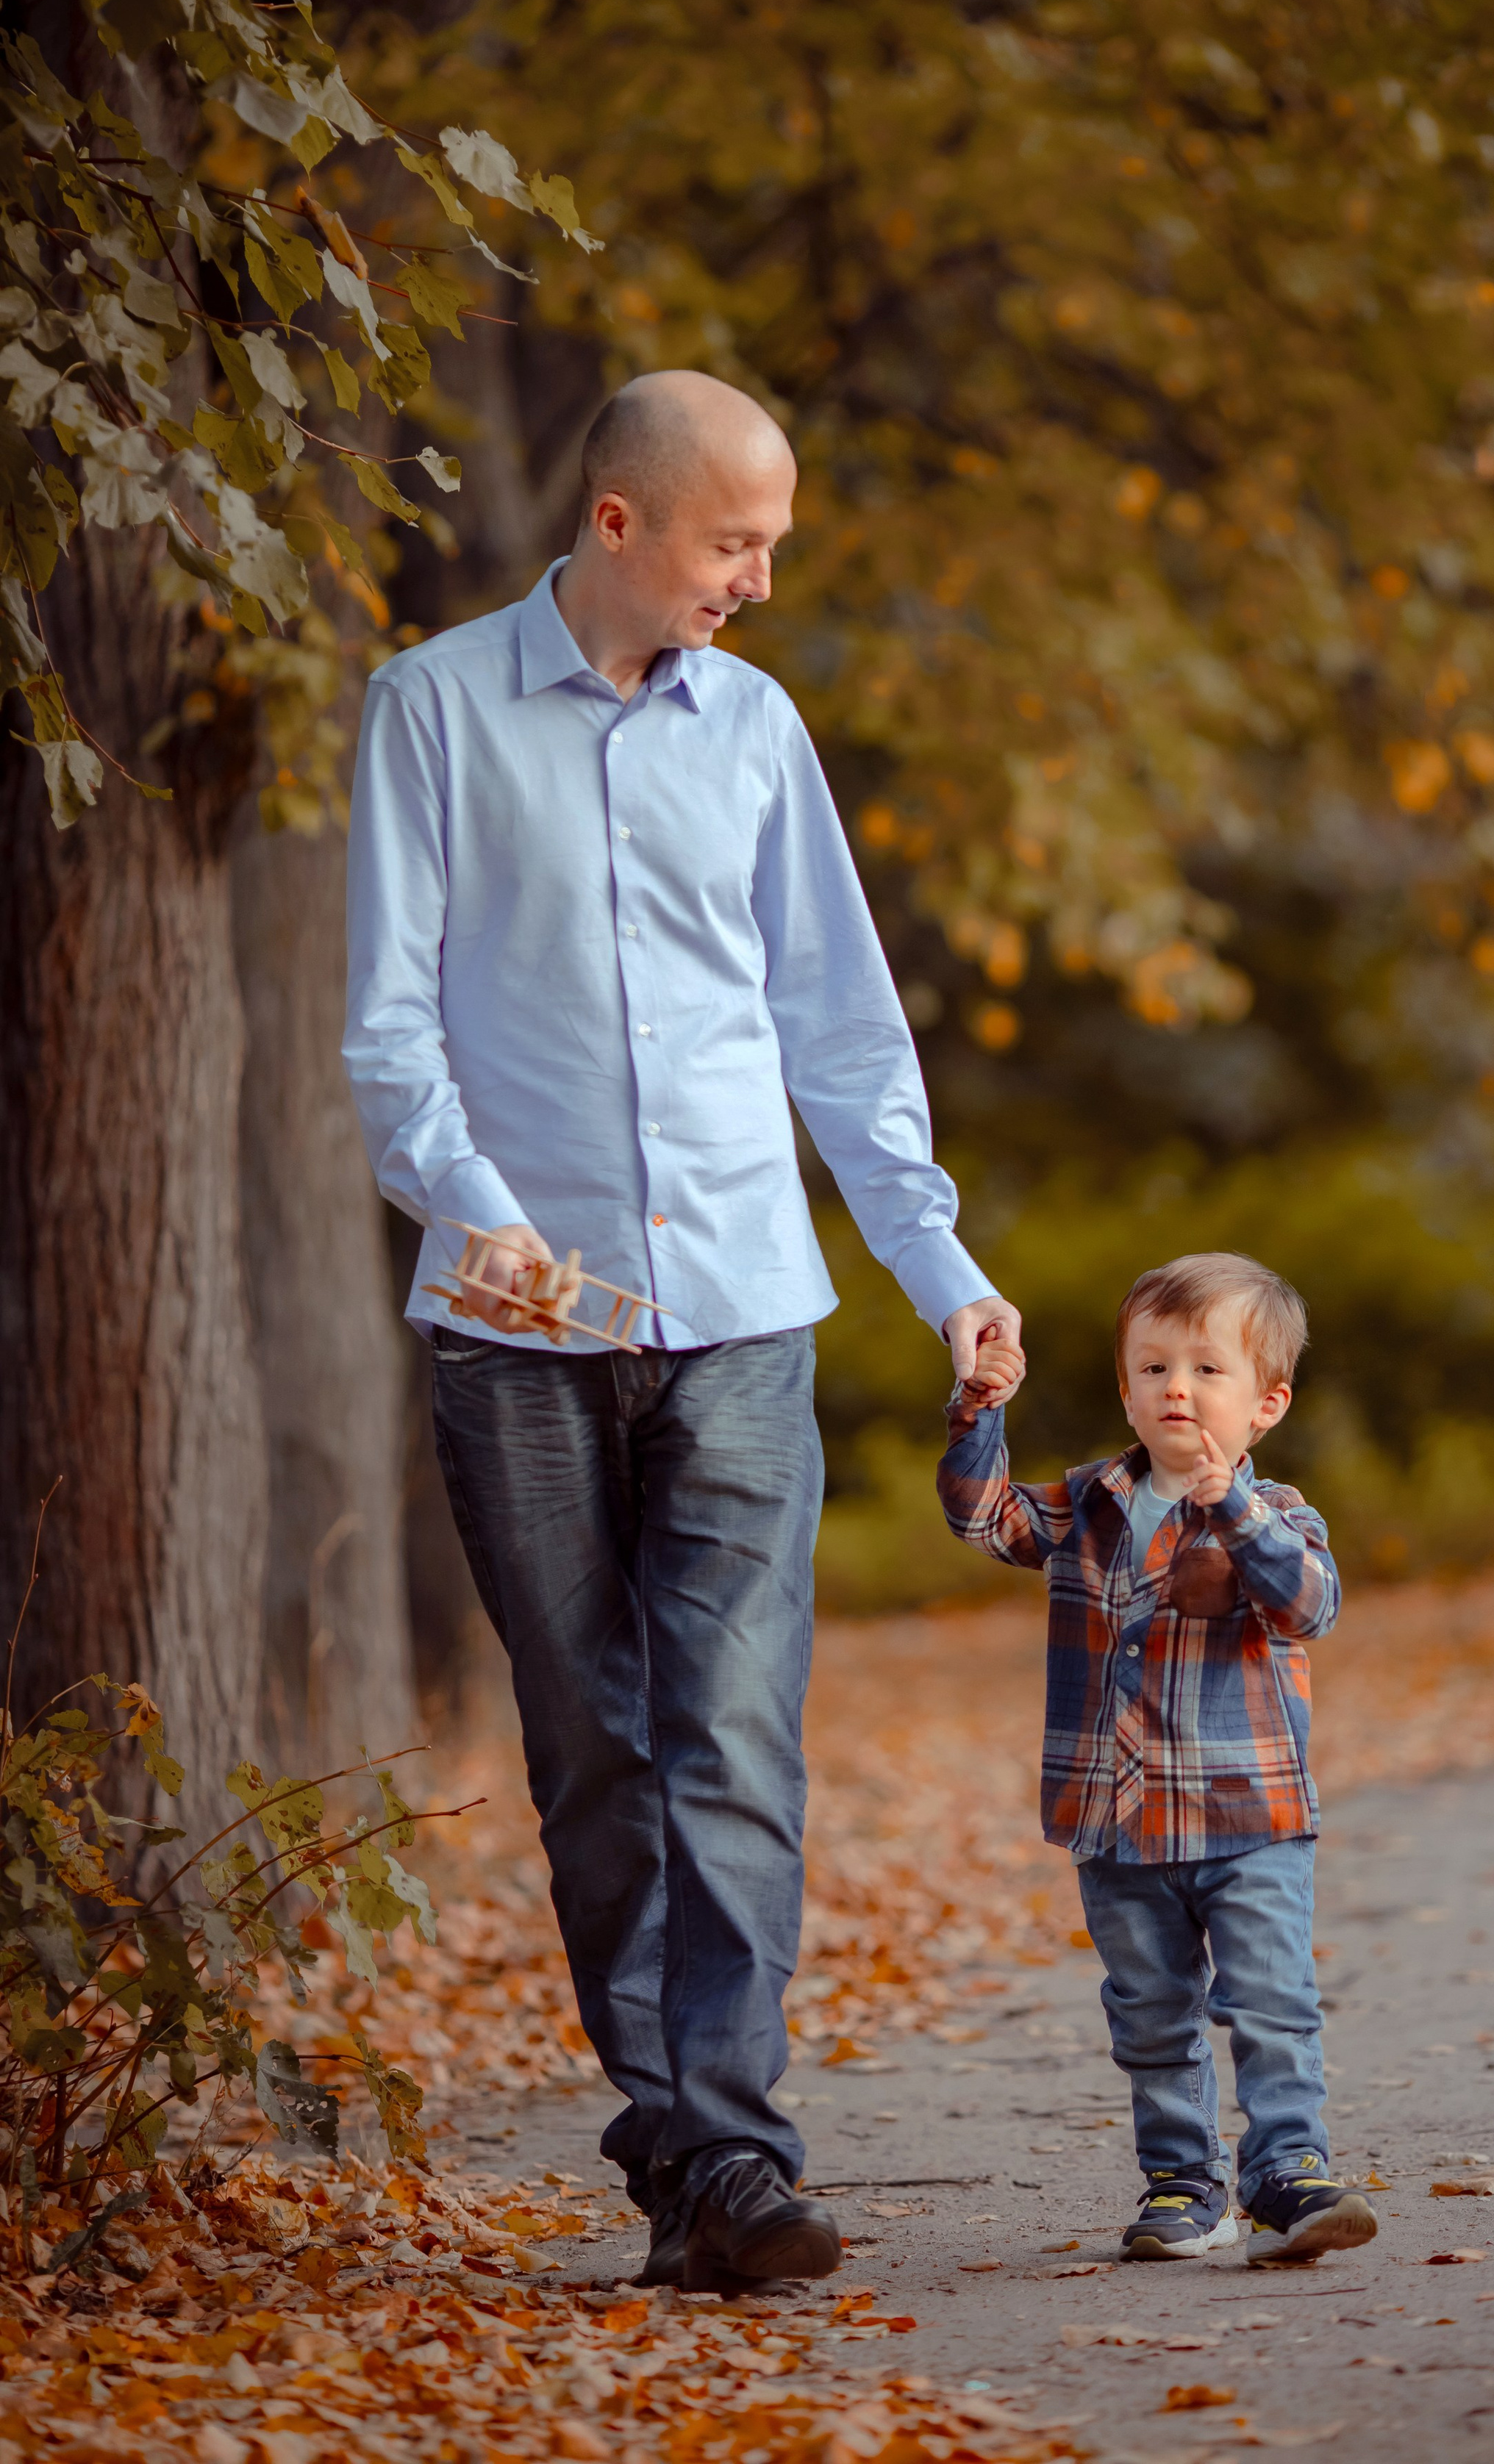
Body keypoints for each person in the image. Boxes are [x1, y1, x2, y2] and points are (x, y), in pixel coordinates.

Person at [344, 370, 1021, 2291]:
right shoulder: (433, 712)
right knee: (594, 1748)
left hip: (740, 1312)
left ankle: (726, 2150)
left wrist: (942, 1271)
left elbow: (843, 1031)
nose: (763, 581)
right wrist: (498, 1239)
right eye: (739, 543)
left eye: (776, 544)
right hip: (517, 1336)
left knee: (727, 1735)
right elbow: (391, 1036)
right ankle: (680, 2138)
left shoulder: (759, 730)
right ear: (624, 524)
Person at [936, 1250, 1375, 2265]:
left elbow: (1312, 1604)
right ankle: (1184, 2182)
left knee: (1270, 2001)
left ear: (1265, 1404)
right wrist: (980, 1410)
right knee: (1151, 2014)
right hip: (1118, 1824)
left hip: (1249, 1817)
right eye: (1153, 1367)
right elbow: (981, 1517)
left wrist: (1233, 1510)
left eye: (1206, 1370)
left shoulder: (1285, 1515)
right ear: (1125, 1390)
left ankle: (1289, 2175)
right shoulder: (1088, 1502)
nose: (1177, 1386)